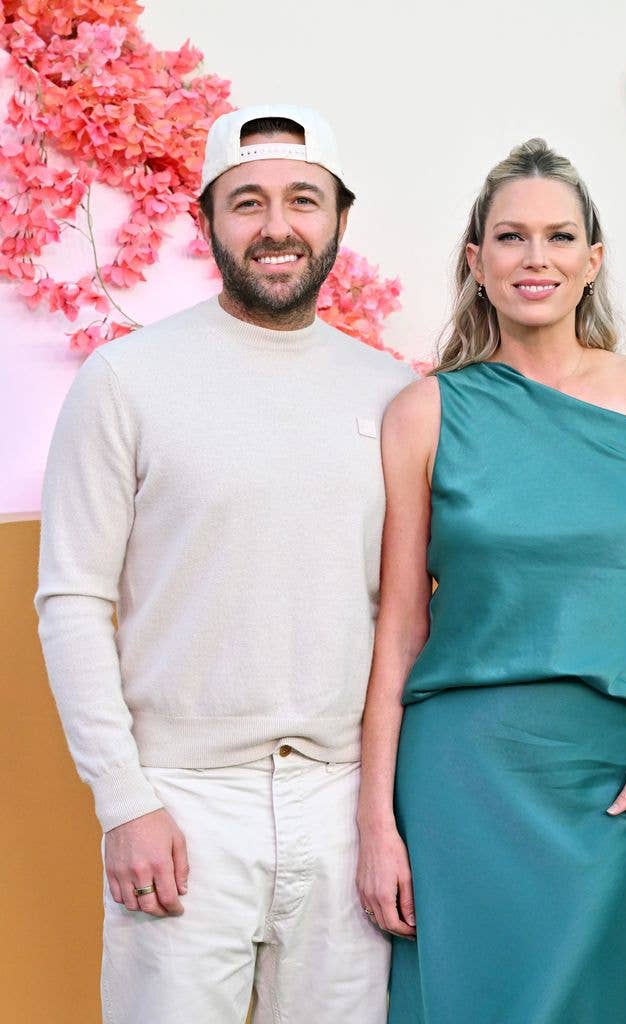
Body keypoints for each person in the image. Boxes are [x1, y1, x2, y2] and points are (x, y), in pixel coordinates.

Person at [35, 104, 415, 1024]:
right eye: (247, 202)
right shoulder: (125, 380)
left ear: (338, 222)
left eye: (302, 201)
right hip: (181, 801)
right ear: (205, 218)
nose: (276, 226)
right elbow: (73, 598)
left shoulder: (395, 393)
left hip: (343, 805)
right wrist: (124, 802)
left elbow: (419, 608)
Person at [356, 138, 626, 1024]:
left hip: (611, 767)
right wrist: (376, 823)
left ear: (591, 262)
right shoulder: (425, 412)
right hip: (459, 768)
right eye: (511, 238)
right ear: (476, 261)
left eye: (559, 238)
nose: (536, 259)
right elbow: (400, 629)